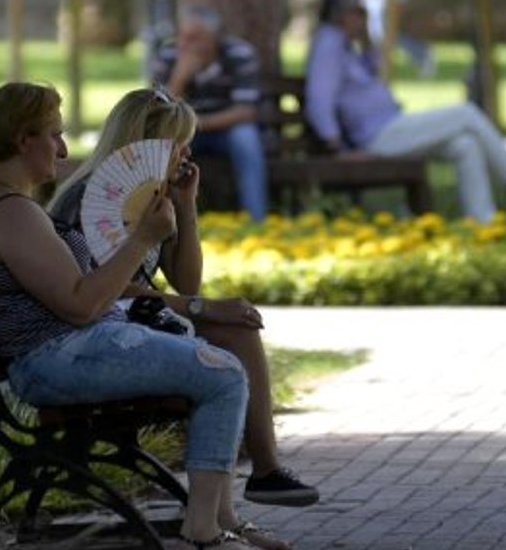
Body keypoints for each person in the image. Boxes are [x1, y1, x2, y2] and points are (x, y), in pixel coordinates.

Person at [0, 81, 284, 550]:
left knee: (218, 364)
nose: (63, 149)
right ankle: (203, 533)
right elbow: (82, 306)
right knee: (221, 373)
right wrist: (143, 239)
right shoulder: (13, 214)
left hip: (56, 353)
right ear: (24, 139)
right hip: (57, 357)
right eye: (54, 135)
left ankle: (221, 523)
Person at [48, 87, 320, 522]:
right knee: (227, 335)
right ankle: (240, 494)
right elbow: (108, 292)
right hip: (103, 326)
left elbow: (188, 280)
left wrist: (185, 206)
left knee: (239, 326)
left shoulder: (151, 194)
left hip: (138, 315)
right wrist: (197, 308)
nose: (187, 153)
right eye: (178, 144)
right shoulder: (89, 200)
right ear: (145, 147)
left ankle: (265, 470)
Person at [305, 0, 506, 224]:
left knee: (465, 145)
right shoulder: (328, 45)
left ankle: (483, 221)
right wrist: (336, 147)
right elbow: (319, 98)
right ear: (340, 15)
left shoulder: (345, 46)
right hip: (378, 136)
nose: (362, 18)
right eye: (358, 12)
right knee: (466, 113)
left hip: (390, 127)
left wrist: (366, 42)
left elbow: (372, 70)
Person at [151, 6, 269, 222]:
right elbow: (158, 112)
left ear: (214, 38)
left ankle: (256, 220)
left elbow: (245, 111)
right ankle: (160, 219)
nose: (185, 44)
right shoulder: (168, 56)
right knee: (163, 144)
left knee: (246, 139)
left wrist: (196, 124)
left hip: (227, 131)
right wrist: (179, 78)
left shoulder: (239, 55)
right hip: (185, 133)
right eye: (182, 36)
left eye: (194, 38)